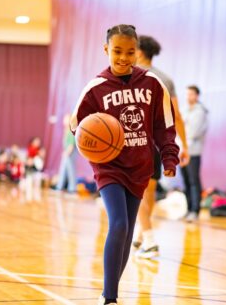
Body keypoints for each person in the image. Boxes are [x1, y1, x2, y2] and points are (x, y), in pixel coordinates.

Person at [70, 24, 179, 305]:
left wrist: (169, 156)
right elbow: (76, 124)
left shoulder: (153, 84)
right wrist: (89, 138)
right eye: (117, 51)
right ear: (106, 50)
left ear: (137, 52)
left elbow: (164, 124)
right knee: (118, 224)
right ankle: (110, 298)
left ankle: (109, 292)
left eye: (130, 52)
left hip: (139, 165)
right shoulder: (96, 88)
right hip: (109, 167)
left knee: (129, 232)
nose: (123, 57)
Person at [133, 35, 190, 259]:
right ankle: (141, 235)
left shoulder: (132, 76)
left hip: (137, 142)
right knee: (150, 192)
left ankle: (150, 240)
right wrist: (183, 145)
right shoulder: (165, 78)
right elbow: (177, 115)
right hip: (158, 143)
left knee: (136, 194)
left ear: (138, 51)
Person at [181, 85, 208, 222]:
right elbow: (179, 129)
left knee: (193, 181)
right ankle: (188, 209)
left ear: (197, 96)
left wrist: (185, 147)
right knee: (185, 181)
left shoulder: (200, 111)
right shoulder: (184, 110)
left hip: (193, 152)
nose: (188, 97)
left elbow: (192, 132)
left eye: (191, 94)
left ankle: (195, 210)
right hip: (182, 152)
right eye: (187, 94)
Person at [55, 114, 77, 193]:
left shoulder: (71, 131)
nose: (64, 121)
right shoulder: (66, 130)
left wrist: (67, 153)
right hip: (66, 153)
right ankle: (59, 186)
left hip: (70, 153)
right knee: (63, 170)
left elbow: (71, 145)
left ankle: (72, 188)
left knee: (71, 170)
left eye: (66, 119)